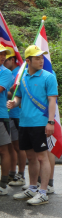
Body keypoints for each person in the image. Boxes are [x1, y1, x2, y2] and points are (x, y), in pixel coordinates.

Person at [8, 45, 57, 205]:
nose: (41, 60)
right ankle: (32, 188)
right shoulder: (22, 78)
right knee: (31, 157)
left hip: (41, 124)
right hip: (24, 123)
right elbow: (19, 98)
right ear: (28, 61)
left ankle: (43, 192)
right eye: (37, 58)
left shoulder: (49, 77)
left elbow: (52, 101)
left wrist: (50, 122)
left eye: (42, 57)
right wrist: (13, 103)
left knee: (42, 157)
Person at [4, 47, 27, 187]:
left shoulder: (18, 74)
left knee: (19, 147)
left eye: (5, 60)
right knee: (11, 146)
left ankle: (22, 174)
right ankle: (12, 173)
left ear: (12, 60)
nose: (3, 61)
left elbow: (14, 95)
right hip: (9, 115)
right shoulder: (11, 73)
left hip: (16, 114)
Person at [0, 45, 13, 196]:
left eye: (4, 55)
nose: (3, 57)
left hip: (1, 116)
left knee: (3, 150)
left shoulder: (6, 72)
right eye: (0, 54)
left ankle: (3, 183)